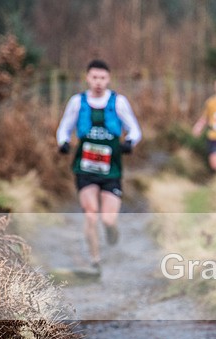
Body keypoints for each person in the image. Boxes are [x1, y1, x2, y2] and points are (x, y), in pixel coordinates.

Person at [57, 59, 142, 271]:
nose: (98, 82)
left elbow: (135, 129)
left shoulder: (118, 102)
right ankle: (95, 260)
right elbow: (64, 128)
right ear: (87, 78)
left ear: (108, 79)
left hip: (111, 169)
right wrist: (64, 143)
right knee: (91, 213)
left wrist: (130, 142)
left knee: (108, 219)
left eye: (102, 78)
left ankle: (112, 231)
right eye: (94, 77)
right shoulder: (77, 102)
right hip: (85, 169)